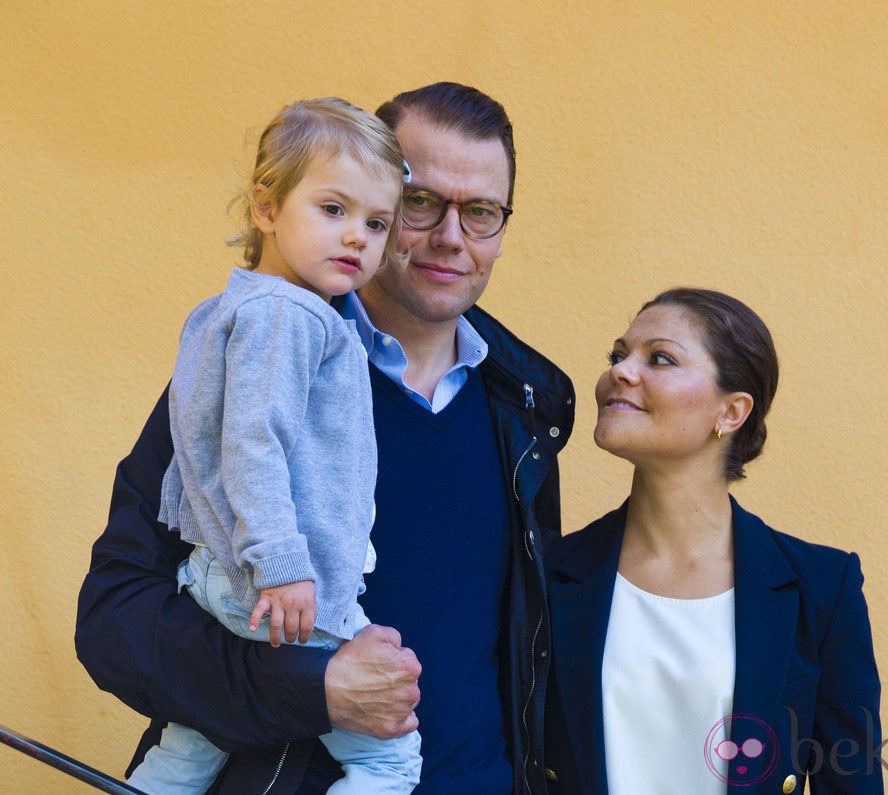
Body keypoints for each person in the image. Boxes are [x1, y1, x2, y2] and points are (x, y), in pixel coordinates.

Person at [76, 82, 575, 794]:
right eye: (421, 203)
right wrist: (310, 687)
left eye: (482, 212)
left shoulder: (526, 410)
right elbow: (114, 618)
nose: (451, 237)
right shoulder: (252, 368)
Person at [124, 97, 422, 794]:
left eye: (377, 223)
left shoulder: (233, 307)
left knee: (193, 743)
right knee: (390, 759)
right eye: (333, 209)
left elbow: (200, 437)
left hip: (220, 578)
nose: (357, 238)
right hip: (280, 590)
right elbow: (253, 443)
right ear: (266, 208)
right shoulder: (293, 315)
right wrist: (284, 564)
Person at [542, 289, 883, 794]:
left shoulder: (821, 587)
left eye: (659, 358)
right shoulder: (547, 572)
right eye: (618, 355)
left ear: (731, 412)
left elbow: (850, 782)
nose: (621, 371)